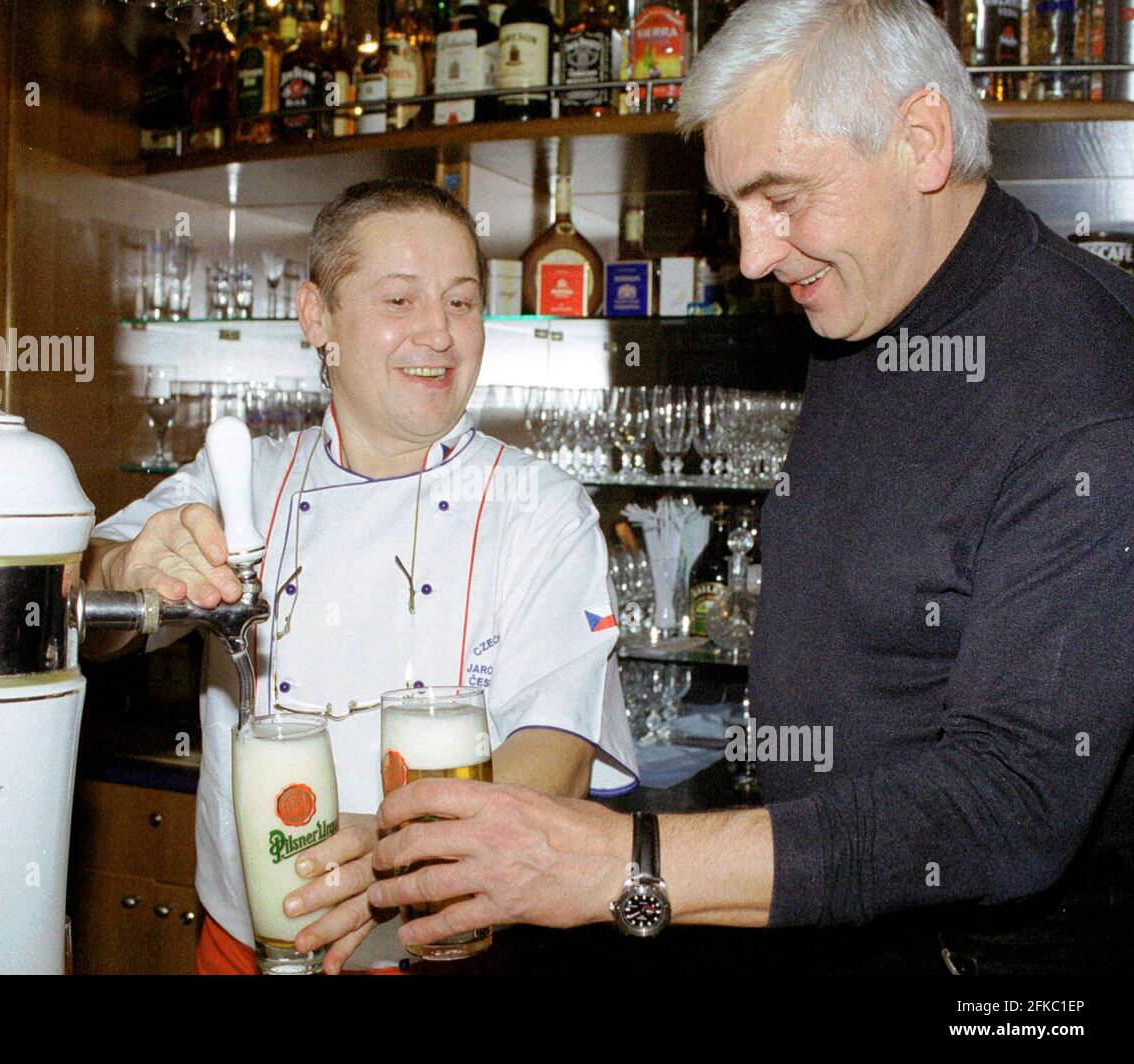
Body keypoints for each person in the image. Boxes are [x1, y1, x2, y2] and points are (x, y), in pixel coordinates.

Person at [366, 0, 1134, 974]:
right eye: (737, 208)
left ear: (922, 141)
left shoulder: (1089, 385)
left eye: (782, 198)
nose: (755, 256)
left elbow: (1013, 802)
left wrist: (621, 857)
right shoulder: (867, 294)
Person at [84, 179, 638, 973]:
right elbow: (83, 611)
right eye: (400, 301)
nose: (439, 335)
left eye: (461, 302)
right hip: (243, 948)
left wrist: (394, 850)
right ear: (317, 318)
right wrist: (124, 566)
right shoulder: (241, 481)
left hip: (443, 953)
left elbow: (559, 757)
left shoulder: (538, 505)